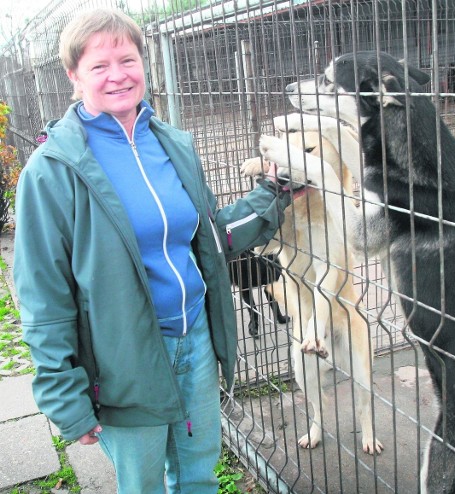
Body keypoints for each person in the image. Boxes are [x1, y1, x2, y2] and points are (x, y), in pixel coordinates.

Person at [13, 8, 294, 493]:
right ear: (73, 76)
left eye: (127, 59)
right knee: (142, 485)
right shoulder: (52, 170)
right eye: (99, 66)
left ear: (146, 63)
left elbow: (208, 237)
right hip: (124, 360)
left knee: (198, 476)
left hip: (196, 341)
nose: (118, 75)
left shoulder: (174, 144)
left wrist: (272, 193)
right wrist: (64, 394)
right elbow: (43, 294)